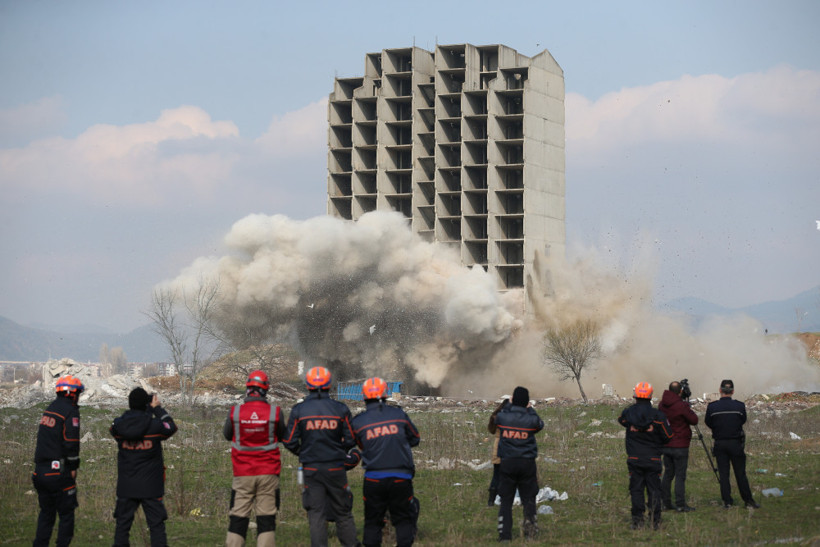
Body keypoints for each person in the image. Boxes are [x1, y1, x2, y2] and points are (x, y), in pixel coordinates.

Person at [283, 366, 359, 547]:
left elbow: (289, 441)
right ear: (329, 385)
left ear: (308, 385)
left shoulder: (299, 410)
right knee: (342, 512)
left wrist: (305, 452)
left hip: (311, 467)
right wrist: (338, 450)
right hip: (336, 467)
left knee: (316, 513)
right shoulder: (340, 409)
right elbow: (351, 438)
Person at [351, 377, 421, 547]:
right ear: (385, 395)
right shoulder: (399, 415)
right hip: (401, 476)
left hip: (374, 478)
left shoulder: (359, 421)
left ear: (364, 396)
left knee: (372, 522)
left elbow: (357, 444)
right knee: (403, 520)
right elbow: (415, 438)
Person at [223, 370, 286, 547]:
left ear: (247, 388)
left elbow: (228, 435)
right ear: (266, 390)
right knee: (266, 519)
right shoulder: (275, 413)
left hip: (242, 473)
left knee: (238, 516)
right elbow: (283, 435)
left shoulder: (235, 413)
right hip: (268, 473)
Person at [110, 387, 178, 546]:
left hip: (126, 486)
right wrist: (157, 409)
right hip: (151, 487)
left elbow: (115, 425)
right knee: (156, 527)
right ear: (146, 404)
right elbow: (171, 426)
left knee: (122, 527)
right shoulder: (154, 426)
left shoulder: (120, 427)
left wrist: (135, 411)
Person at [32, 375, 84, 547]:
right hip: (58, 473)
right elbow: (71, 442)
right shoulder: (70, 411)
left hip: (40, 472)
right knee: (66, 516)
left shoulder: (51, 408)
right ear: (71, 393)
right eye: (78, 393)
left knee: (46, 515)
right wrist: (73, 466)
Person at [617, 382, 672, 530]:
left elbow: (621, 420)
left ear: (635, 395)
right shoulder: (658, 416)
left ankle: (637, 521)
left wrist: (634, 427)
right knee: (654, 491)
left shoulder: (628, 413)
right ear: (651, 395)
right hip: (653, 459)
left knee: (636, 490)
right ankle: (655, 521)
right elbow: (668, 436)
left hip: (634, 458)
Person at [494, 386, 544, 542]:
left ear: (513, 400)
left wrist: (509, 404)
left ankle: (504, 535)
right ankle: (530, 532)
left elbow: (496, 419)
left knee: (506, 500)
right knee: (529, 498)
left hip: (507, 463)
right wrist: (529, 409)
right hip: (527, 463)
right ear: (527, 402)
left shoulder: (503, 417)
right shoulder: (531, 419)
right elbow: (539, 424)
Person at [704, 379, 760, 509]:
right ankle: (748, 501)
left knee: (724, 475)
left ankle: (727, 502)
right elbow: (742, 420)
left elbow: (708, 422)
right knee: (740, 473)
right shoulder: (739, 406)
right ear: (733, 391)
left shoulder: (712, 407)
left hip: (720, 443)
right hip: (735, 444)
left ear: (720, 390)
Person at [658, 381, 699, 512]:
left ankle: (665, 503)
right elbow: (694, 420)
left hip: (666, 443)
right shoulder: (681, 405)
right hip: (680, 445)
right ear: (680, 391)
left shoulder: (661, 405)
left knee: (668, 474)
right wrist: (688, 407)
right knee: (680, 475)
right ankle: (680, 504)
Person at [486, 397, 510, 507]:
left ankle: (491, 500)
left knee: (496, 475)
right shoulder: (514, 417)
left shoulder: (496, 416)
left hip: (498, 446)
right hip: (511, 447)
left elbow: (491, 430)